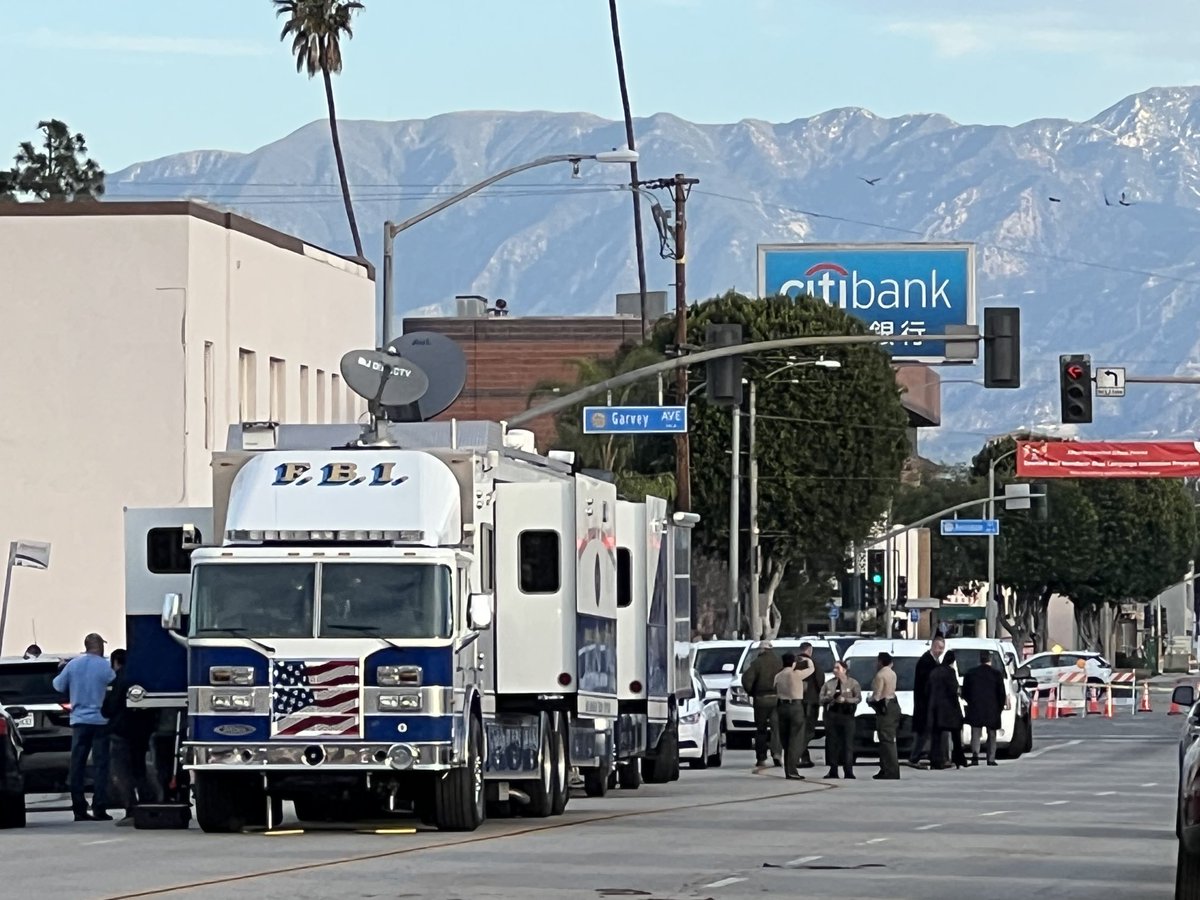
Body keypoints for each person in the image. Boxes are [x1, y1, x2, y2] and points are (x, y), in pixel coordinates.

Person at [52, 633, 116, 821]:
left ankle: (79, 808)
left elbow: (58, 686)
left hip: (79, 722)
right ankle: (99, 806)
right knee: (101, 766)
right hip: (101, 721)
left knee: (77, 766)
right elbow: (115, 684)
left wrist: (62, 670)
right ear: (99, 646)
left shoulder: (73, 665)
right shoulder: (106, 666)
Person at [103, 649, 156, 825]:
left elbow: (110, 707)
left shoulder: (121, 679)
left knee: (122, 772)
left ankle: (131, 808)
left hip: (122, 732)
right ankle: (148, 805)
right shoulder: (143, 677)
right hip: (142, 731)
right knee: (140, 769)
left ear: (116, 662)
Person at [773, 652, 816, 779]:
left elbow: (774, 687)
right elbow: (812, 669)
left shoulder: (778, 676)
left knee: (785, 739)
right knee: (795, 738)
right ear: (794, 663)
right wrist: (807, 660)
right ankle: (792, 770)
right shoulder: (796, 674)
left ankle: (788, 768)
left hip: (782, 706)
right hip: (795, 706)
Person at [741, 640, 783, 769]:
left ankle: (761, 757)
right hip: (777, 699)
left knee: (761, 730)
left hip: (761, 699)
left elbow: (746, 679)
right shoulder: (779, 662)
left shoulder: (757, 663)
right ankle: (777, 754)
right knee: (777, 729)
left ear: (762, 649)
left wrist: (752, 692)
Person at [819, 659, 862, 779]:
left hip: (847, 715)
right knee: (832, 744)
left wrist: (846, 700)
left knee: (847, 744)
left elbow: (858, 698)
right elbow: (820, 698)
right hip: (832, 715)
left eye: (837, 668)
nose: (835, 670)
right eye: (834, 668)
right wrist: (830, 698)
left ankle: (848, 770)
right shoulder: (829, 684)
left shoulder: (853, 683)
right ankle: (833, 770)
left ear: (844, 669)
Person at [963, 650, 1007, 767]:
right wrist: (1000, 707)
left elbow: (965, 692)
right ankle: (991, 758)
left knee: (976, 733)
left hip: (976, 707)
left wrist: (971, 702)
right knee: (992, 734)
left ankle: (975, 756)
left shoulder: (971, 673)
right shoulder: (996, 674)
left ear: (979, 660)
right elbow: (1001, 693)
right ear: (990, 660)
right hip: (992, 708)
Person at [908, 635, 944, 769]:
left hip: (930, 704)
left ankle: (931, 757)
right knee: (924, 732)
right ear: (933, 646)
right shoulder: (926, 662)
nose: (940, 651)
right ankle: (914, 756)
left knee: (928, 732)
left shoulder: (933, 661)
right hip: (925, 703)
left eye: (942, 649)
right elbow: (926, 684)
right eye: (938, 648)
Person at [927, 650, 968, 769]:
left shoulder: (934, 671)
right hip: (949, 707)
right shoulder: (950, 672)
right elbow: (953, 688)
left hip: (935, 707)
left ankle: (936, 760)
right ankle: (959, 758)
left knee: (936, 736)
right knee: (956, 734)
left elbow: (928, 688)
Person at [869, 652, 901, 780]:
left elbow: (877, 695)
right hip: (894, 704)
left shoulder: (880, 675)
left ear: (880, 661)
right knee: (889, 739)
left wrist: (870, 701)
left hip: (885, 708)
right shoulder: (893, 673)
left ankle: (891, 770)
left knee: (886, 740)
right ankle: (885, 768)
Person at [796, 642, 825, 769]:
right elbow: (820, 681)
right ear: (810, 650)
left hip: (796, 702)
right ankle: (797, 756)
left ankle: (804, 757)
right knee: (808, 732)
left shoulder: (794, 664)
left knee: (798, 731)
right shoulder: (813, 664)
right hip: (810, 702)